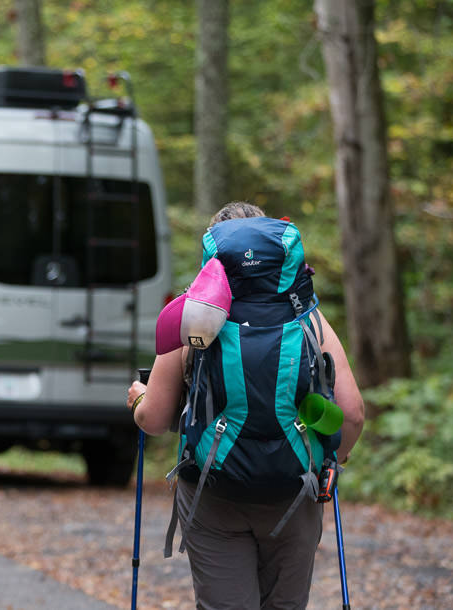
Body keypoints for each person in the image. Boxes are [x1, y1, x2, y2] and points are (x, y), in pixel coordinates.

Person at [126, 201, 365, 610]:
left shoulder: (195, 318)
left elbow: (155, 418)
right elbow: (353, 414)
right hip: (295, 492)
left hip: (214, 493)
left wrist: (139, 399)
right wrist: (323, 463)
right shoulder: (305, 316)